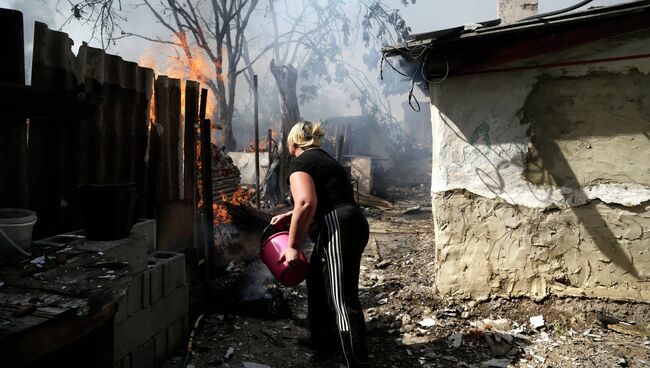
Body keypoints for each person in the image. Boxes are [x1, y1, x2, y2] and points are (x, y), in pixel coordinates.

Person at [270, 120, 370, 368]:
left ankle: (355, 361)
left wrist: (292, 246)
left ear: (293, 142)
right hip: (346, 221)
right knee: (316, 280)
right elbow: (321, 198)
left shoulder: (300, 163)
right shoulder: (322, 158)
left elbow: (306, 203)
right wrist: (290, 215)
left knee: (341, 297)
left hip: (338, 226)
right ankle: (323, 344)